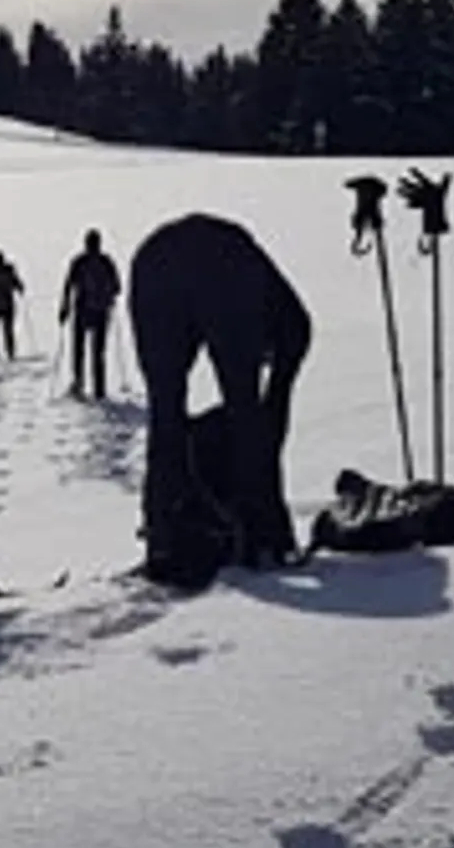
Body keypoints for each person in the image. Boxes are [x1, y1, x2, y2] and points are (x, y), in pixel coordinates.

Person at [127, 215, 313, 586]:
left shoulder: (279, 312)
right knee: (245, 412)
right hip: (217, 267)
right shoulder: (290, 327)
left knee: (166, 415)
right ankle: (258, 535)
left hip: (152, 263)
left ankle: (164, 534)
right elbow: (264, 422)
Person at [58, 230, 122, 398]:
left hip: (82, 310)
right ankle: (99, 390)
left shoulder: (79, 262)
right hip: (101, 312)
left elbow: (68, 285)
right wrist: (108, 297)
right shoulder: (106, 262)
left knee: (79, 350)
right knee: (98, 352)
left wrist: (64, 308)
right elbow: (117, 287)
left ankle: (79, 385)